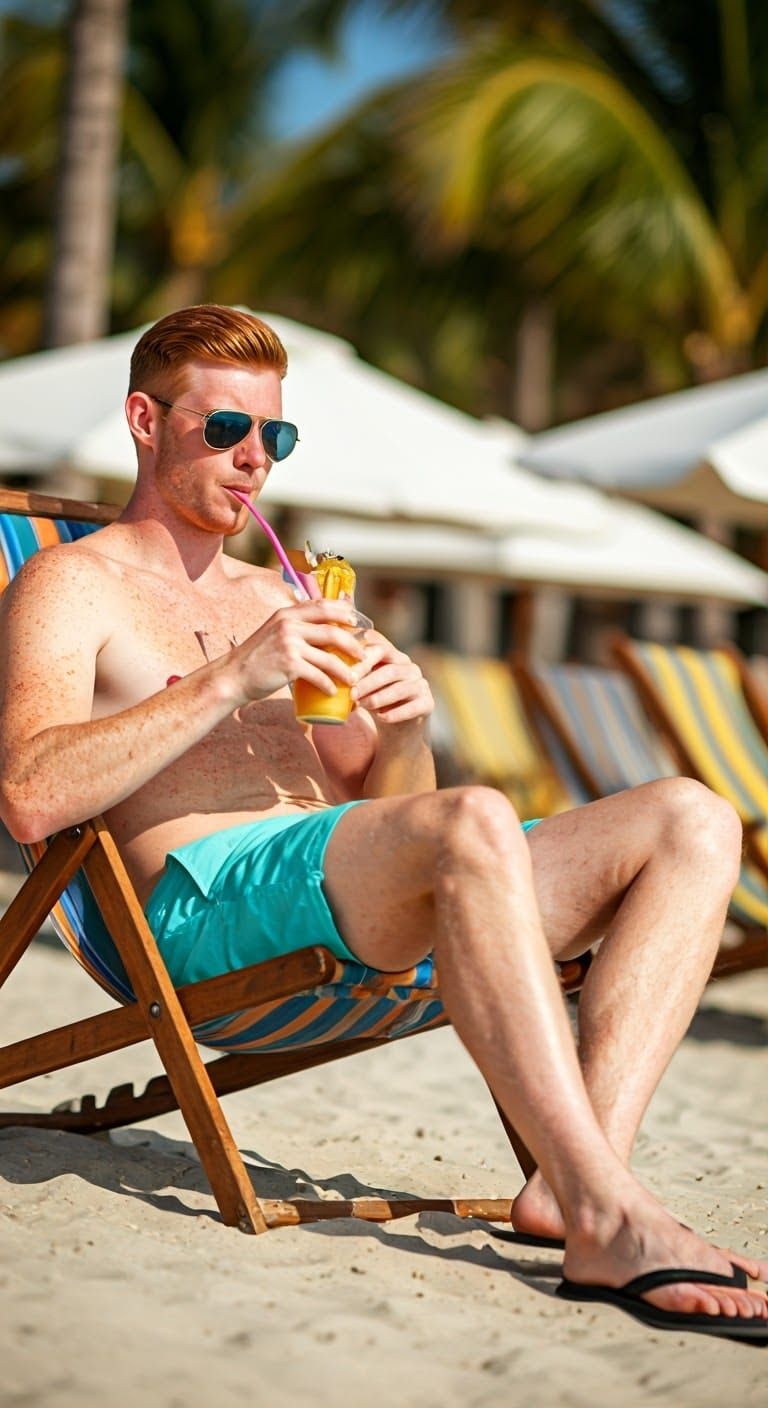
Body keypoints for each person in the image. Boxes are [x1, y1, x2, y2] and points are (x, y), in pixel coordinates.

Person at [0, 304, 766, 1342]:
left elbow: (390, 811)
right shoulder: (66, 583)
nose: (255, 458)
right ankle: (607, 1212)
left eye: (278, 435)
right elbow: (30, 793)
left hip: (345, 898)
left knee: (692, 818)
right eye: (226, 429)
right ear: (145, 418)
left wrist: (405, 729)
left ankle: (578, 1180)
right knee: (475, 821)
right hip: (198, 910)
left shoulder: (289, 591)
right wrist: (232, 676)